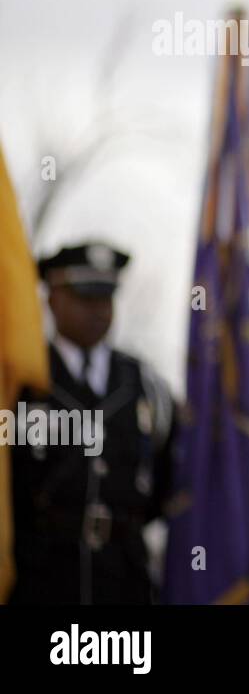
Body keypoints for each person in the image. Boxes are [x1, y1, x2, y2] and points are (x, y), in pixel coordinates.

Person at [10, 241, 174, 604]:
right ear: (52, 298)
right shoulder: (23, 383)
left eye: (106, 298)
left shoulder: (144, 386)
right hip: (42, 580)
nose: (98, 310)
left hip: (123, 580)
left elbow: (164, 483)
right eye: (85, 298)